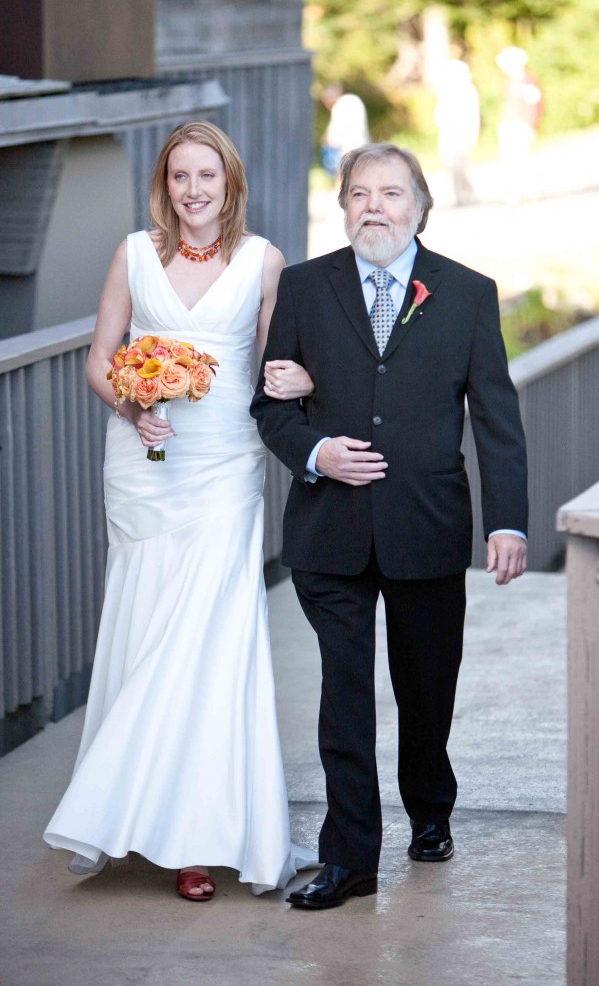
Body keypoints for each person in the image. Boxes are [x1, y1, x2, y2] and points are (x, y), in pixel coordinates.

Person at [44, 120, 319, 900]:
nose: (193, 191)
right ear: (164, 185)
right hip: (142, 466)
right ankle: (129, 808)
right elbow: (100, 361)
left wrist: (302, 385)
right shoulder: (133, 254)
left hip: (225, 467)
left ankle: (195, 836)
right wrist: (133, 407)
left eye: (208, 176)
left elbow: (274, 370)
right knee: (148, 624)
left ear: (230, 182)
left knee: (209, 639)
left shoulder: (265, 263)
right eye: (179, 177)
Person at [251, 142, 528, 911]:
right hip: (329, 533)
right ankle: (350, 860)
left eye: (391, 193)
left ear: (420, 208)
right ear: (341, 206)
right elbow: (270, 403)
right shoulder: (304, 289)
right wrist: (315, 452)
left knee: (426, 687)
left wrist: (508, 522)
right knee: (344, 696)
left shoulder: (469, 294)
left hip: (428, 524)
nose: (374, 205)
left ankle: (430, 806)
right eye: (358, 193)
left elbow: (496, 419)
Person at [496, 45, 544, 203]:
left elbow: (535, 106)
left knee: (522, 159)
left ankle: (528, 191)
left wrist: (532, 125)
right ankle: (512, 193)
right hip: (509, 124)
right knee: (509, 160)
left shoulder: (528, 81)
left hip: (522, 125)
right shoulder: (510, 82)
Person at [434, 55, 480, 206]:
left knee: (460, 166)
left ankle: (469, 192)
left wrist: (471, 136)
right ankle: (458, 195)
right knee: (450, 166)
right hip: (448, 134)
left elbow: (473, 116)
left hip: (462, 134)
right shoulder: (446, 92)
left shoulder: (468, 91)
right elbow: (440, 114)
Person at [320, 83, 370, 179]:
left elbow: (335, 135)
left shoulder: (340, 105)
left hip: (346, 150)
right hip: (362, 146)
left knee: (344, 179)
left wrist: (326, 140)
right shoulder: (355, 100)